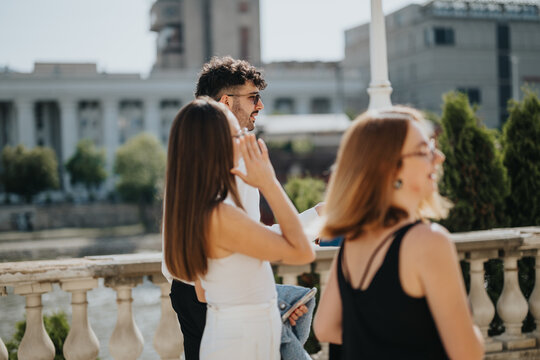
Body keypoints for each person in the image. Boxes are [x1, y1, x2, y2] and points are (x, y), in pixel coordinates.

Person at [164, 56, 320, 360]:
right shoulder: (220, 211)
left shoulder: (192, 199)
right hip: (239, 341)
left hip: (228, 326)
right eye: (236, 135)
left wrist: (270, 303)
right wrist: (270, 183)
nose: (244, 140)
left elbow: (207, 285)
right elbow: (300, 252)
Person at [313, 107, 485, 359]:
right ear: (391, 168)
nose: (439, 157)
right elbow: (468, 353)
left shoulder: (354, 241)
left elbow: (324, 328)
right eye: (425, 150)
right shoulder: (429, 241)